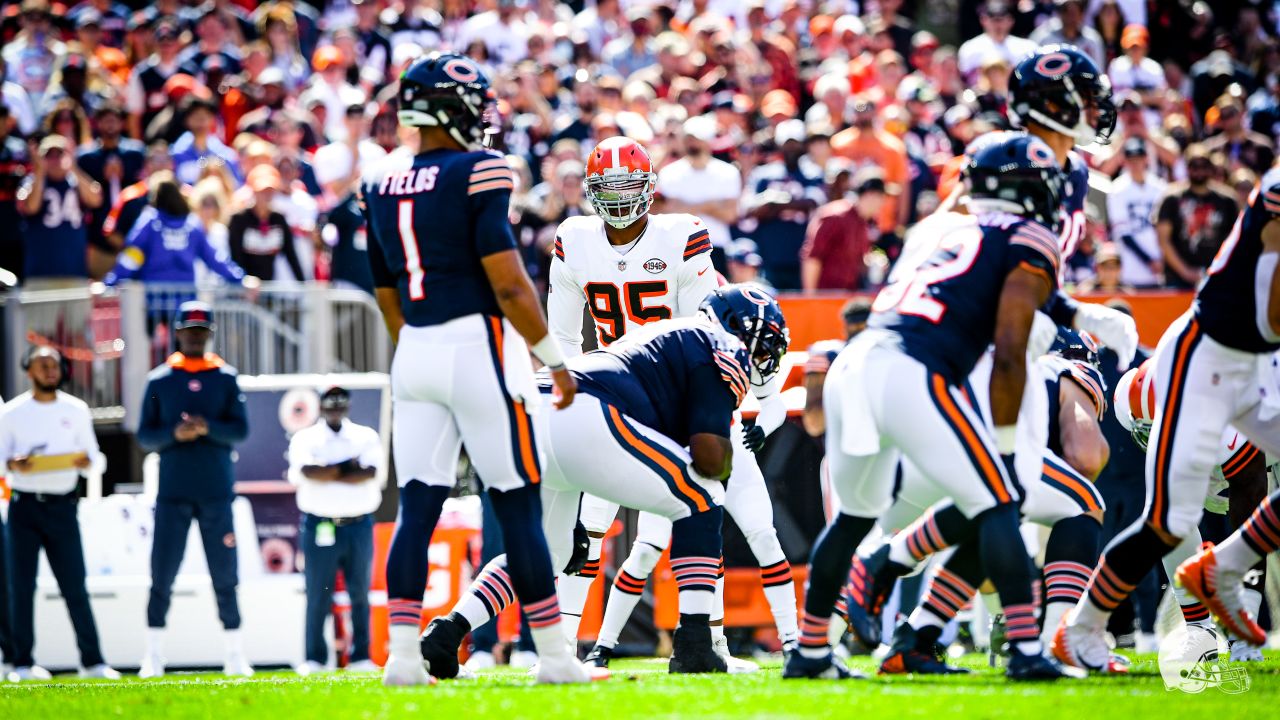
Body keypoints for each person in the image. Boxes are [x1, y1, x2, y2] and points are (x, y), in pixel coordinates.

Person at [783, 134, 1068, 682]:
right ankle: (1028, 650)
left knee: (852, 519)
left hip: (857, 360)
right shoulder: (1027, 236)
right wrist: (1007, 445)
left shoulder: (947, 231)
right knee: (1000, 500)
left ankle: (812, 651)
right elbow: (1010, 349)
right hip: (910, 367)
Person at [419, 286, 789, 677]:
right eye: (762, 346)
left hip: (534, 410)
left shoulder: (670, 336)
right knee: (701, 496)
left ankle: (447, 632)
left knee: (551, 551)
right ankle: (696, 644)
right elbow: (710, 459)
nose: (763, 358)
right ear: (736, 327)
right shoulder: (718, 344)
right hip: (584, 409)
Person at [360, 52, 586, 686]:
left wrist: (418, 345)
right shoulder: (479, 170)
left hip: (415, 350)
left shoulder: (377, 180)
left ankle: (401, 661)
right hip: (477, 344)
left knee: (416, 508)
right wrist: (552, 359)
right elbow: (510, 284)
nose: (479, 116)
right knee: (519, 504)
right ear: (444, 106)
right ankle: (555, 658)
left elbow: (386, 290)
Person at [546, 137, 794, 670]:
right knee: (588, 527)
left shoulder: (681, 233)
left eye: (625, 187)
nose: (616, 201)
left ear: (649, 189)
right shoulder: (575, 238)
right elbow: (561, 338)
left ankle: (714, 643)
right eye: (605, 190)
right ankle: (562, 649)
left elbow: (704, 331)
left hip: (675, 391)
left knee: (714, 511)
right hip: (612, 388)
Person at [1053, 162, 1280, 671]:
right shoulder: (1273, 195)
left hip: (1248, 359)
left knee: (1185, 516)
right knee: (1169, 522)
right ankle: (1085, 627)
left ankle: (1223, 570)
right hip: (1213, 360)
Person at [135, 302, 252, 678]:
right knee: (162, 573)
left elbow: (240, 430)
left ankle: (234, 654)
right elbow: (144, 435)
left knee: (225, 574)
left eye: (202, 331)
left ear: (209, 333)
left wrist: (208, 429)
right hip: (173, 493)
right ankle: (153, 655)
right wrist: (175, 434)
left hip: (216, 492)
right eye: (190, 330)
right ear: (178, 332)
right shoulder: (160, 380)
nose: (196, 336)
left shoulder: (226, 377)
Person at [0, 346, 117, 682]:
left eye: (55, 365)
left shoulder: (76, 409)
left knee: (74, 585)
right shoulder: (11, 413)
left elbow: (97, 459)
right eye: (43, 365)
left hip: (63, 506)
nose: (50, 371)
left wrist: (85, 463)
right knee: (21, 587)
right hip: (24, 506)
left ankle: (92, 662)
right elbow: (0, 461)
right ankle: (21, 663)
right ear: (29, 371)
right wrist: (12, 464)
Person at [287, 386, 383, 676]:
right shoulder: (306, 437)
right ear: (321, 406)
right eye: (330, 404)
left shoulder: (365, 436)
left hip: (358, 524)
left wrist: (328, 470)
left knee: (360, 593)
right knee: (318, 593)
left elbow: (368, 474)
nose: (335, 409)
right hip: (320, 524)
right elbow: (307, 473)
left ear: (348, 406)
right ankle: (314, 657)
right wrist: (346, 466)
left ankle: (361, 656)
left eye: (340, 403)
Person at [104, 171, 251, 287]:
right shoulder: (192, 224)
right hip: (184, 302)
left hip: (154, 300)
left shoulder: (150, 222)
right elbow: (215, 259)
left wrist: (111, 282)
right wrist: (240, 279)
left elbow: (131, 257)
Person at [655, 115, 742, 271]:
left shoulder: (728, 172)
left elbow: (730, 215)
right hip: (678, 246)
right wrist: (712, 205)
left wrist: (684, 207)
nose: (692, 143)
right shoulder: (669, 173)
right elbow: (666, 213)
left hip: (716, 247)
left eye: (696, 138)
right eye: (688, 138)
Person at [16, 135, 103, 285]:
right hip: (40, 275)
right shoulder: (31, 182)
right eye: (49, 156)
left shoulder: (76, 181)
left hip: (75, 273)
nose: (55, 160)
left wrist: (74, 167)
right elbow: (30, 207)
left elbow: (96, 199)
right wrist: (40, 172)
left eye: (60, 154)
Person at [1154, 143, 1239, 289]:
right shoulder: (1172, 199)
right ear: (1186, 168)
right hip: (1177, 279)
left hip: (1218, 276)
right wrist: (1186, 272)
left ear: (1211, 168)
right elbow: (1163, 240)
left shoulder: (1227, 201)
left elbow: (1235, 240)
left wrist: (1219, 269)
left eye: (1204, 166)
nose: (1199, 171)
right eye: (1194, 166)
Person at [800, 169, 887, 293]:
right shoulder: (835, 216)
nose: (882, 204)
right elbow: (812, 257)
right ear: (871, 195)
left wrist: (873, 263)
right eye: (882, 198)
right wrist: (810, 297)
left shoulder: (863, 223)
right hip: (825, 296)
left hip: (846, 295)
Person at [1105, 137, 1166, 288]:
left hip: (1160, 262)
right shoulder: (1117, 189)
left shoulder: (1160, 187)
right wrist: (1150, 261)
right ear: (1124, 161)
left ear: (1146, 158)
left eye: (1139, 158)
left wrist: (1161, 260)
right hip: (1131, 266)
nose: (1135, 163)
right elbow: (1122, 233)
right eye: (1131, 159)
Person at [227, 165, 305, 282]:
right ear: (253, 190)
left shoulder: (279, 219)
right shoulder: (239, 219)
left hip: (268, 289)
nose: (267, 195)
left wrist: (302, 283)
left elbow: (291, 255)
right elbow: (235, 256)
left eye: (271, 190)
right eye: (262, 190)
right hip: (243, 289)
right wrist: (242, 282)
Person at [956, 1, 1035, 84]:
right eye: (993, 20)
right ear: (983, 20)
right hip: (982, 95)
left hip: (1019, 95)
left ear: (1011, 21)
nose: (998, 25)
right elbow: (965, 82)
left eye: (1001, 20)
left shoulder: (1027, 48)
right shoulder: (969, 48)